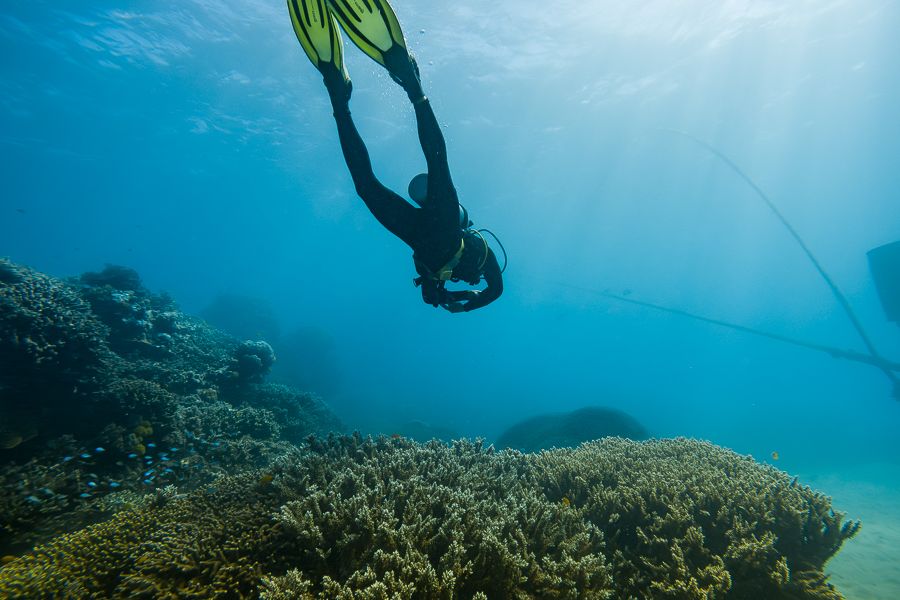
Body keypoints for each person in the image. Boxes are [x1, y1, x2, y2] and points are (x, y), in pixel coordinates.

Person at [287, 0, 503, 313]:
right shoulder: (484, 259)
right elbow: (496, 290)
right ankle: (409, 84)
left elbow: (444, 294)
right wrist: (467, 303)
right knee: (430, 164)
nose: (468, 282)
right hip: (442, 229)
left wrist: (451, 297)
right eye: (470, 283)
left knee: (371, 184)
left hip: (421, 235)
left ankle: (341, 94)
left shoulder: (441, 276)